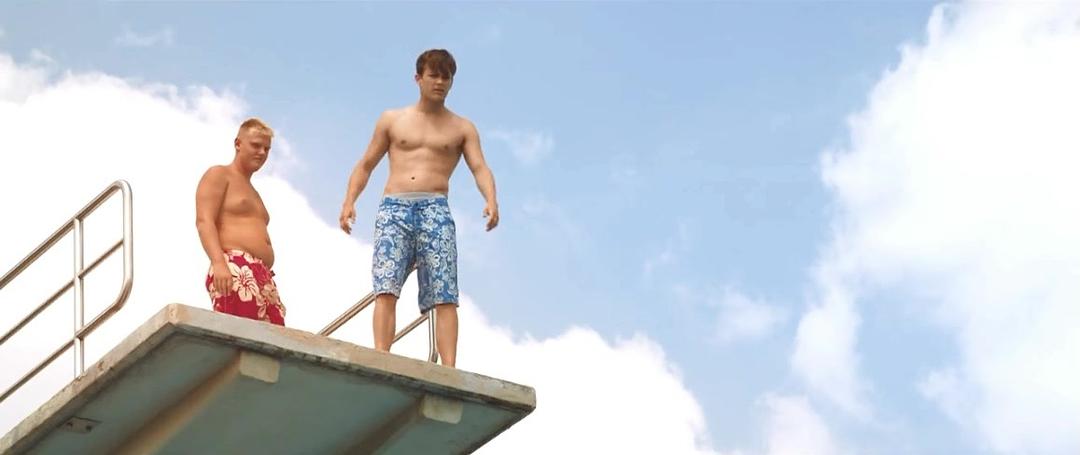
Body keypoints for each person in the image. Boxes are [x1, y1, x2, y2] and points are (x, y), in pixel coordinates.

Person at [339, 49, 499, 368]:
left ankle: (449, 368)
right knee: (386, 285)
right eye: (433, 75)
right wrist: (349, 201)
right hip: (394, 207)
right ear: (418, 78)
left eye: (446, 77)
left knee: (444, 291)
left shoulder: (462, 128)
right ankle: (382, 357)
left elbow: (480, 167)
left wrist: (491, 199)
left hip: (435, 207)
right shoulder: (392, 119)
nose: (439, 82)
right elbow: (366, 163)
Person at [195, 117, 285, 325]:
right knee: (240, 334)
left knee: (273, 339)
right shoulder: (219, 174)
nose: (262, 152)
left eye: (266, 149)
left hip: (263, 275)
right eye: (256, 145)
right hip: (235, 267)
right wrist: (219, 263)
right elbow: (204, 221)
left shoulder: (254, 193)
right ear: (238, 144)